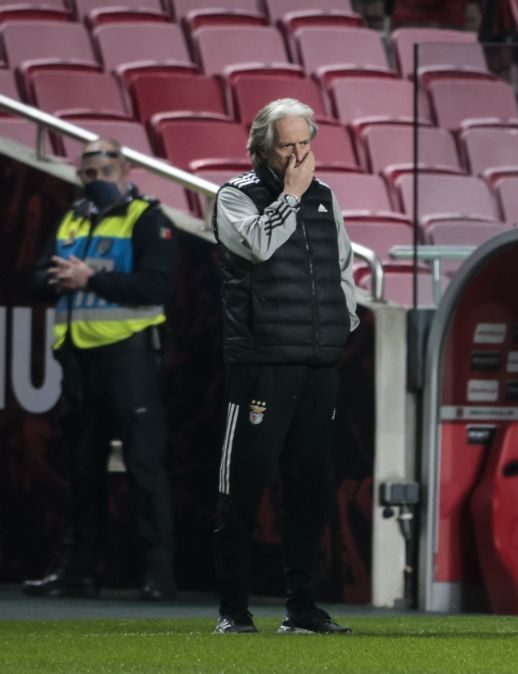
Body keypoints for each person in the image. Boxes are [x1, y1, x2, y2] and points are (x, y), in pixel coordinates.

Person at [211, 98, 358, 635]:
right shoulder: (235, 196)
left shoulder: (325, 198)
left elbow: (343, 267)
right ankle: (233, 609)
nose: (298, 154)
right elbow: (257, 248)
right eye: (286, 144)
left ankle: (302, 609)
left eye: (305, 143)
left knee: (308, 489)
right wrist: (291, 197)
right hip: (262, 363)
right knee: (242, 489)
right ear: (260, 148)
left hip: (318, 364)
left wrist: (344, 323)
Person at [23, 138, 177, 600]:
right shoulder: (72, 218)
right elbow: (35, 279)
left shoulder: (148, 218)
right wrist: (55, 278)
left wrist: (89, 278)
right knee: (81, 469)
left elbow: (156, 285)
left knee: (145, 467)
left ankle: (159, 575)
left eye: (104, 172)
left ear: (125, 169)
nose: (96, 182)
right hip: (76, 358)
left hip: (128, 356)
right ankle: (78, 572)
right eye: (88, 175)